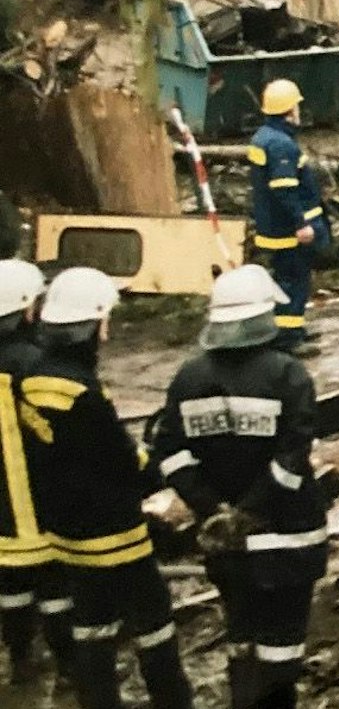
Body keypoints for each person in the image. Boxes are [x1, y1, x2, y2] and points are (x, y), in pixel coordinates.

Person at [20, 268, 194, 709]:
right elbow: (120, 459)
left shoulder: (34, 377)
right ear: (93, 325)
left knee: (91, 628)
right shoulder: (83, 390)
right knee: (154, 626)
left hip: (65, 534)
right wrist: (153, 467)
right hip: (117, 536)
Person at [155, 265, 327, 709]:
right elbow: (292, 461)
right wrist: (248, 512)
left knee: (241, 635)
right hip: (288, 539)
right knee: (282, 644)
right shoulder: (288, 376)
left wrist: (213, 510)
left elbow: (170, 454)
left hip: (225, 547)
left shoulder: (187, 378)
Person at [0, 259, 68, 687]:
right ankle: (69, 668)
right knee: (57, 590)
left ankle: (21, 660)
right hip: (42, 499)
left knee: (10, 587)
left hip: (0, 508)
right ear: (29, 309)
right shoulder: (39, 362)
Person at [249, 80, 329, 351]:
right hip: (288, 230)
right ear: (288, 109)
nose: (299, 110)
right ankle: (288, 338)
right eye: (296, 105)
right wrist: (301, 222)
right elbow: (284, 189)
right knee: (293, 280)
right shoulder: (281, 145)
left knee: (291, 277)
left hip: (273, 226)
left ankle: (294, 327)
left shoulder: (264, 137)